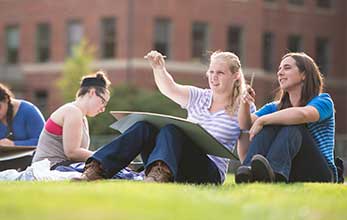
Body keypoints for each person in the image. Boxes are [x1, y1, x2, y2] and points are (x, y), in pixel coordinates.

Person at [76, 50, 253, 184]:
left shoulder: (245, 106)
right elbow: (170, 88)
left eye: (220, 73)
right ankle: (97, 169)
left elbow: (245, 148)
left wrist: (248, 170)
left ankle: (159, 174)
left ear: (236, 76)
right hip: (173, 163)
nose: (213, 77)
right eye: (211, 72)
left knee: (172, 130)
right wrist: (159, 68)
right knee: (144, 127)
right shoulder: (200, 96)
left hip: (209, 172)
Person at [236, 52, 336, 183]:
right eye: (279, 69)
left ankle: (274, 171)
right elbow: (245, 125)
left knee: (293, 124)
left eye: (287, 68)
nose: (280, 73)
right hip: (290, 170)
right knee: (268, 125)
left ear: (304, 75)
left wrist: (263, 120)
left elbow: (303, 114)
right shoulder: (274, 107)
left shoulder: (323, 101)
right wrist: (245, 104)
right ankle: (248, 170)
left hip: (320, 172)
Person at [32, 71, 111, 169]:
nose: (103, 109)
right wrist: (104, 156)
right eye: (103, 102)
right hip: (49, 168)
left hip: (60, 166)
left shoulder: (81, 116)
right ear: (92, 92)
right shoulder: (72, 111)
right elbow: (72, 152)